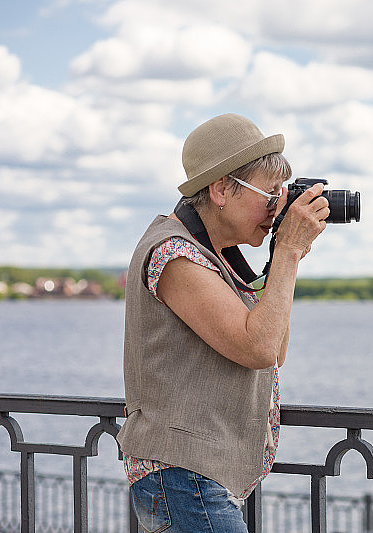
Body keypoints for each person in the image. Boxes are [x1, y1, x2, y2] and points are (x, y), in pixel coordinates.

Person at [116, 113, 329, 532]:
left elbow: (275, 351)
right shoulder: (175, 253)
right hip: (183, 475)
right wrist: (285, 251)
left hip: (192, 476)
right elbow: (259, 348)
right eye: (270, 197)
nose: (277, 208)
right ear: (220, 190)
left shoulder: (217, 255)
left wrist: (289, 254)